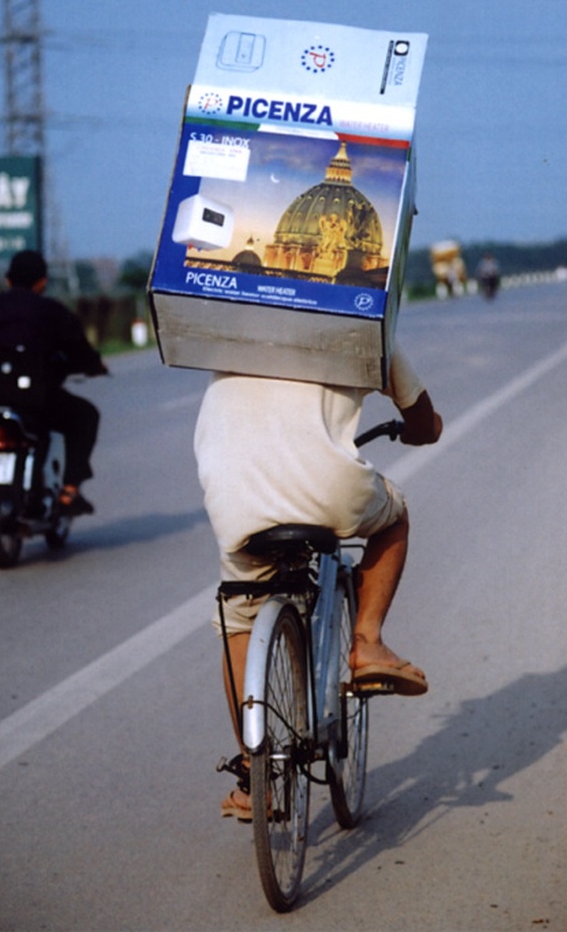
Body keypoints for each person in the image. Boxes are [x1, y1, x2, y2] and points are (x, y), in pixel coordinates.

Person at [193, 342, 442, 820]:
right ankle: (366, 641)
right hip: (328, 490)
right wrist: (421, 429)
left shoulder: (233, 325)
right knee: (394, 519)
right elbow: (423, 422)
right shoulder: (356, 318)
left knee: (239, 619)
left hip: (236, 494)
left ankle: (253, 771)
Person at [0, 249, 108, 515]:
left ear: (8, 280)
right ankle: (70, 491)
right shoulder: (51, 312)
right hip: (34, 401)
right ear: (42, 282)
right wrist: (95, 367)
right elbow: (79, 351)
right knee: (86, 416)